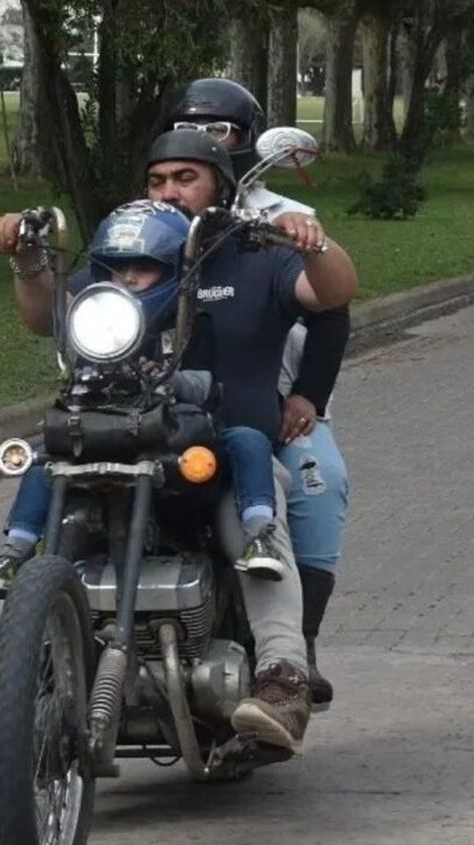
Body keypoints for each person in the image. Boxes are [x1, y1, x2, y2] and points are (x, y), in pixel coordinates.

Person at [0, 130, 358, 753]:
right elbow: (45, 312)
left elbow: (334, 292)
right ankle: (33, 678)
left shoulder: (256, 257)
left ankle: (283, 675)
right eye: (157, 180)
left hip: (223, 455)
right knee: (63, 512)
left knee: (256, 516)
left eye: (186, 178)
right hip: (119, 443)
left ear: (222, 186)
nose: (169, 191)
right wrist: (25, 258)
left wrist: (315, 242)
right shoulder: (126, 266)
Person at [164, 77, 350, 707]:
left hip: (270, 396)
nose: (205, 141)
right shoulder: (149, 226)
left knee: (318, 476)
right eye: (191, 129)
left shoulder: (278, 219)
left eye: (220, 131)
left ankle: (299, 645)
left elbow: (332, 311)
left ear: (242, 143)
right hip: (166, 404)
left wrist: (307, 398)